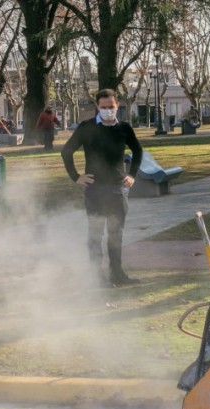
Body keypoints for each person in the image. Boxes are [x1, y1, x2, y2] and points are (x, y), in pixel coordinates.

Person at [61, 89, 143, 287]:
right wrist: (76, 177)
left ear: (117, 106)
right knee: (95, 234)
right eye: (104, 107)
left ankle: (117, 274)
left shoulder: (124, 128)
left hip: (117, 190)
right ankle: (97, 277)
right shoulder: (87, 127)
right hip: (95, 190)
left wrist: (132, 174)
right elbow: (67, 151)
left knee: (116, 234)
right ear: (97, 106)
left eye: (111, 107)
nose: (108, 110)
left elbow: (138, 150)